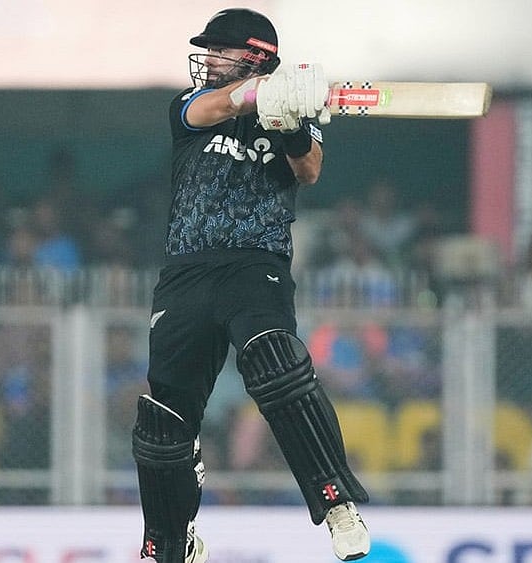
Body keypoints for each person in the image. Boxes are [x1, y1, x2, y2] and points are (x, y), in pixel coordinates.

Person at [131, 8, 369, 563]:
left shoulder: (293, 111)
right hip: (186, 272)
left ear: (255, 55)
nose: (208, 59)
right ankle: (169, 542)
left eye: (219, 50)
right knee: (163, 417)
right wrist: (263, 95)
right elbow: (216, 107)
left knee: (275, 363)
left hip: (254, 265)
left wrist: (289, 123)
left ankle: (336, 502)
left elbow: (309, 170)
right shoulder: (191, 104)